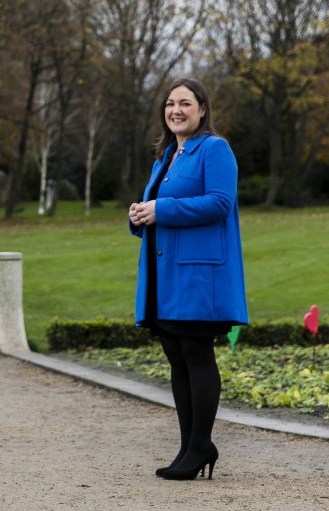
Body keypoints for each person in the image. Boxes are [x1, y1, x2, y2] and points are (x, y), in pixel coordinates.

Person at [129, 78, 247, 481]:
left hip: (198, 276)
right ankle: (189, 447)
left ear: (201, 109)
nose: (175, 109)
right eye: (169, 103)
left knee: (196, 355)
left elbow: (219, 203)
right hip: (167, 277)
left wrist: (161, 209)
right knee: (177, 357)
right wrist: (141, 214)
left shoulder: (214, 149)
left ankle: (200, 446)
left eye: (185, 103)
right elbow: (161, 208)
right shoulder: (166, 155)